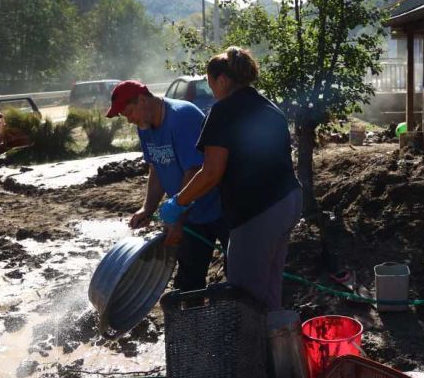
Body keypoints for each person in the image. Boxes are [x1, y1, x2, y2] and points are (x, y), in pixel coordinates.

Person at [159, 47, 302, 310]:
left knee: (243, 293)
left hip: (258, 210)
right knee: (269, 286)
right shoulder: (269, 107)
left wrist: (178, 202)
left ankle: (251, 349)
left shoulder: (223, 111)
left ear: (222, 80)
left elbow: (211, 173)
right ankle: (275, 343)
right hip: (289, 201)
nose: (212, 90)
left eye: (211, 83)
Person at [106, 80, 228, 291]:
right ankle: (193, 321)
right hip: (188, 214)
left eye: (129, 113)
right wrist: (148, 208)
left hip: (221, 208)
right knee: (188, 282)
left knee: (238, 275)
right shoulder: (144, 126)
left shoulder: (182, 117)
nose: (129, 120)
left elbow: (194, 171)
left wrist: (177, 218)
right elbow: (157, 167)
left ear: (143, 100)